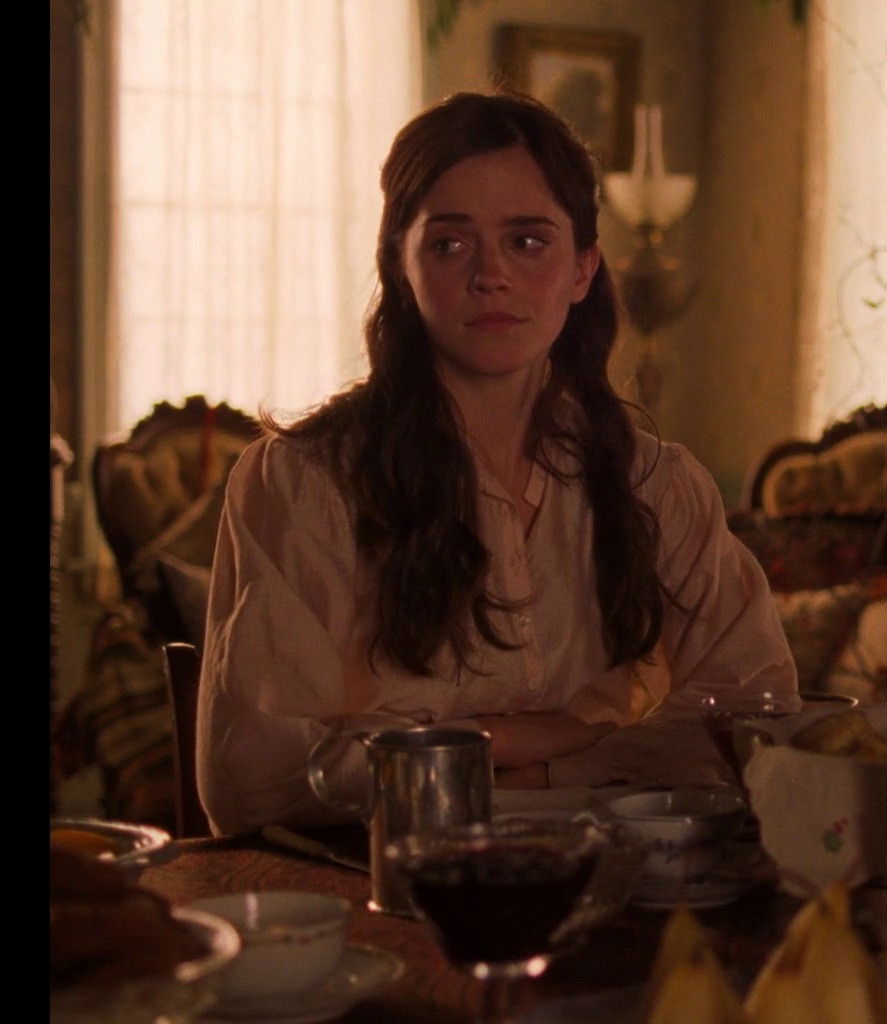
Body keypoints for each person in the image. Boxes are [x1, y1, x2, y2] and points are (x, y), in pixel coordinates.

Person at [196, 92, 795, 835]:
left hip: (608, 876)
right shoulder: (306, 482)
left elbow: (755, 719)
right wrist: (550, 734)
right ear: (400, 266)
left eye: (528, 241)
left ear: (583, 269)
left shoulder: (655, 484)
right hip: (384, 882)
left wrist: (543, 767)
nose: (492, 275)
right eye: (450, 244)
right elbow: (256, 780)